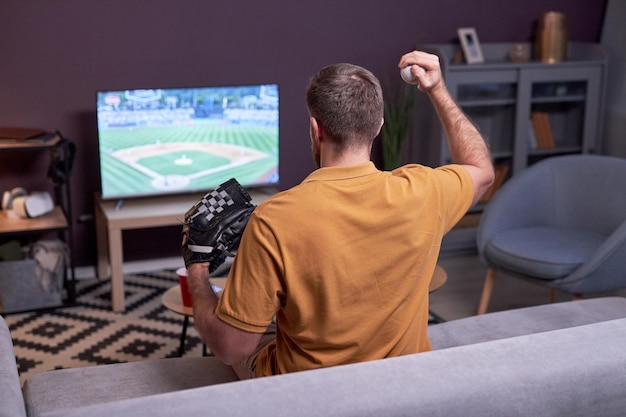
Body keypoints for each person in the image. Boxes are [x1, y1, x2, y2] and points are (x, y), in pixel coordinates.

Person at [186, 50, 494, 379]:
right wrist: (437, 89)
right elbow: (482, 170)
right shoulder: (426, 190)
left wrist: (197, 271)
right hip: (404, 380)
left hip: (310, 391)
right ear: (378, 126)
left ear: (315, 128)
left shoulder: (274, 219)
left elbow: (231, 347)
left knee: (247, 342)